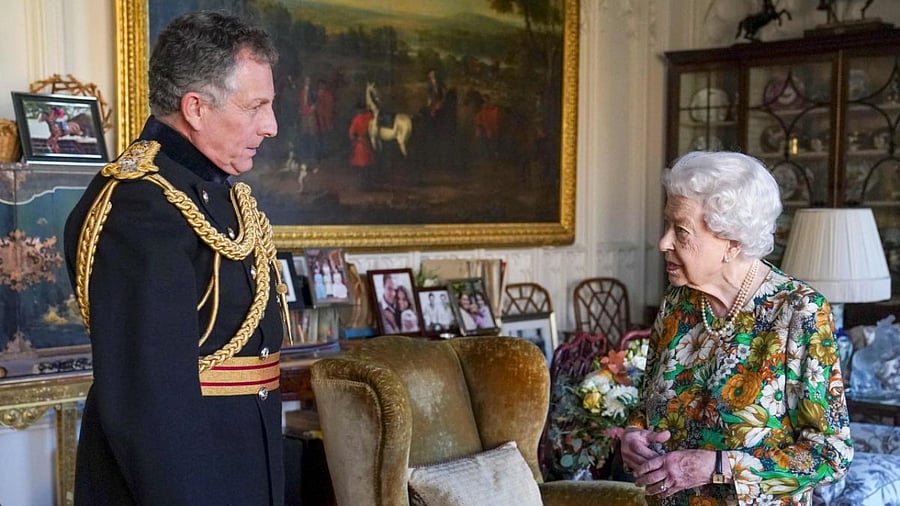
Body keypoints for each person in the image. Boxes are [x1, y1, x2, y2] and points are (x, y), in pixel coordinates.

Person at [63, 11, 288, 505]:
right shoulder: (138, 208)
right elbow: (151, 408)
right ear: (196, 108)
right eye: (256, 106)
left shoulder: (215, 191)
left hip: (242, 469)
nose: (270, 125)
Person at [620, 151, 852, 505]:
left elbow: (831, 455)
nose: (663, 243)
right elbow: (647, 404)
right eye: (667, 226)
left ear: (732, 242)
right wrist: (635, 435)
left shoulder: (798, 312)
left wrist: (720, 466)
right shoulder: (677, 304)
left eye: (680, 231)